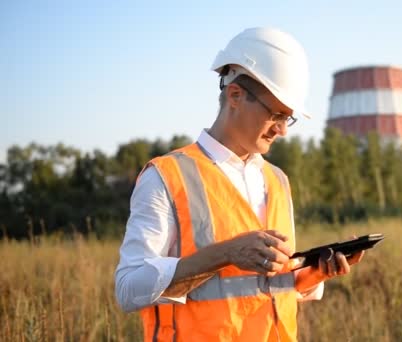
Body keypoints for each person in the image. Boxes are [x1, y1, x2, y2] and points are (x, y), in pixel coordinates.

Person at [114, 27, 365, 341]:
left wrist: (316, 271)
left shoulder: (277, 180)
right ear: (235, 96)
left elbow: (267, 288)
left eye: (289, 118)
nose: (282, 130)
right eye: (276, 114)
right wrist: (226, 253)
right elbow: (128, 289)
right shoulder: (167, 176)